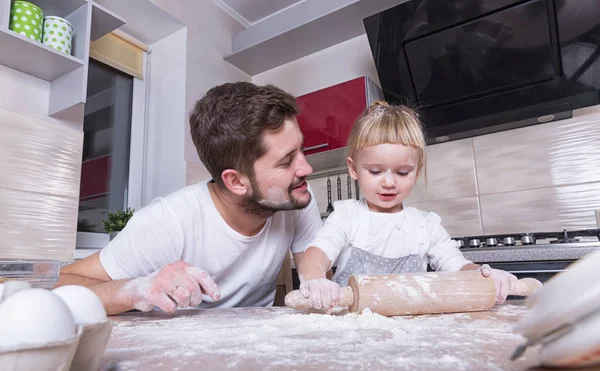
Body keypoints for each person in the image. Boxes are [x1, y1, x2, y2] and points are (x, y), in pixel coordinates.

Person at [57, 82, 322, 315]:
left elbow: (317, 276)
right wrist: (133, 290)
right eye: (287, 161)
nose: (306, 168)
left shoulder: (296, 199)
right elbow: (61, 282)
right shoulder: (167, 223)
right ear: (236, 181)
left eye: (302, 149)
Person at [297, 101, 518, 311]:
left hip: (410, 335)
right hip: (352, 331)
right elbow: (317, 254)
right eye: (375, 171)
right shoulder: (347, 216)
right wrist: (315, 280)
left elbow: (457, 266)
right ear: (354, 169)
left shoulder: (425, 225)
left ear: (417, 171)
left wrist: (484, 274)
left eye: (402, 172)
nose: (389, 182)